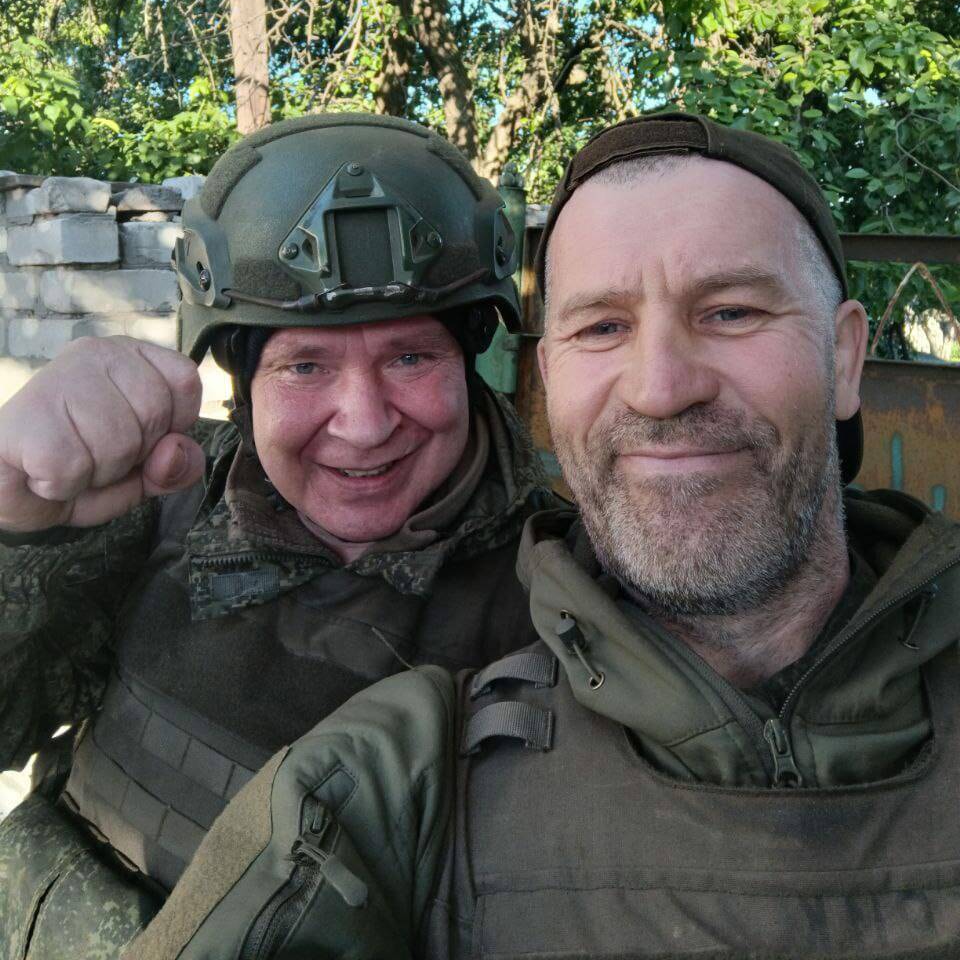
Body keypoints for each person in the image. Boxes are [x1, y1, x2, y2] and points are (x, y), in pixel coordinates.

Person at [127, 110, 960, 960]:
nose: (661, 388)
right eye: (603, 327)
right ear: (550, 378)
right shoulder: (401, 764)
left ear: (844, 357)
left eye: (732, 312)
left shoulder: (515, 599)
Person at [0, 113, 559, 959]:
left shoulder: (569, 586)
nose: (364, 425)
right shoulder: (158, 505)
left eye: (411, 357)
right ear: (242, 378)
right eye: (305, 365)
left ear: (470, 358)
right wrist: (16, 531)